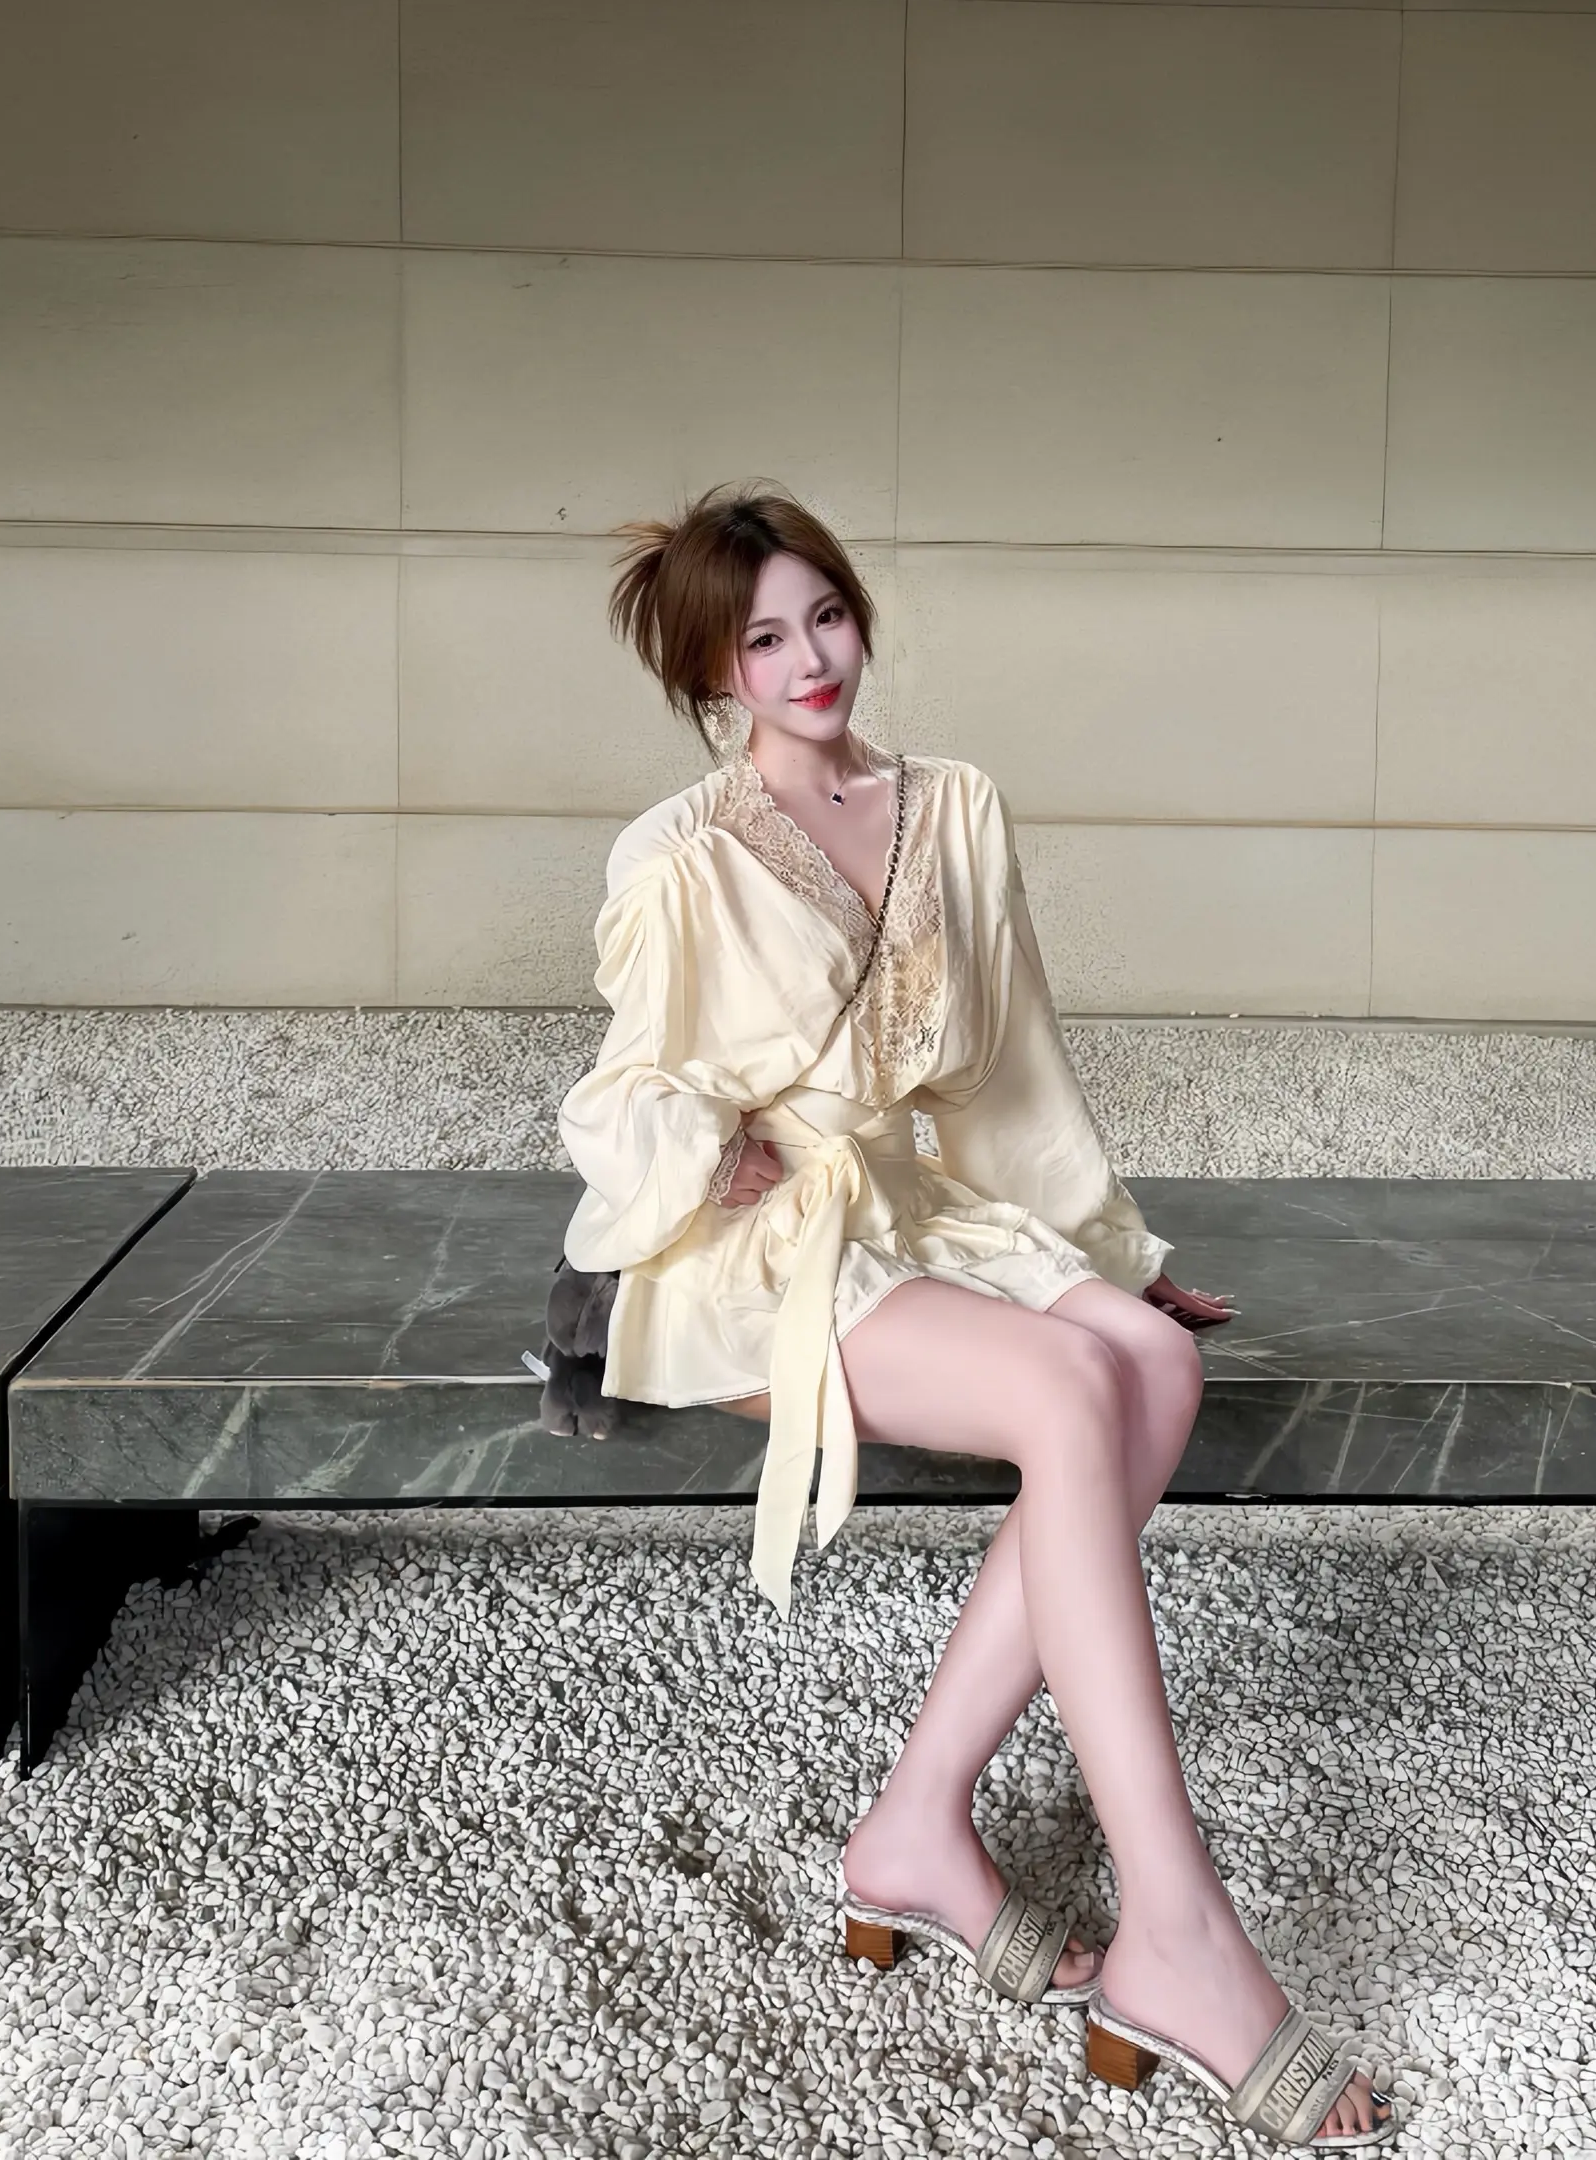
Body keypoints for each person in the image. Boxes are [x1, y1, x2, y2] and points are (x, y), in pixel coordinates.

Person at [557, 485, 1398, 2149]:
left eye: (826, 615)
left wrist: (1111, 1257)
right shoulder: (675, 854)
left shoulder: (953, 806)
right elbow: (619, 1093)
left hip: (914, 1211)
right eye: (763, 639)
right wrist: (715, 1146)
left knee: (1147, 1363)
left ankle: (915, 1832)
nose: (810, 658)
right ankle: (1179, 1931)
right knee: (1071, 1397)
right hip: (758, 1254)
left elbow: (1013, 1079)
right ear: (714, 671)